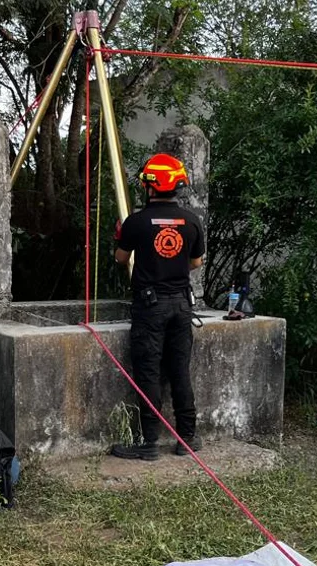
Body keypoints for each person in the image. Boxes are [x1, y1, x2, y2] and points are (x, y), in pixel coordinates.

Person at [110, 153, 206, 461]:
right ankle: (186, 438)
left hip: (150, 307)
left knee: (149, 372)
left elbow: (120, 259)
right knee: (180, 370)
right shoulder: (191, 221)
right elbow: (196, 262)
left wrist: (120, 236)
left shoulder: (136, 223)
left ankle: (149, 442)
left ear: (150, 186)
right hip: (181, 305)